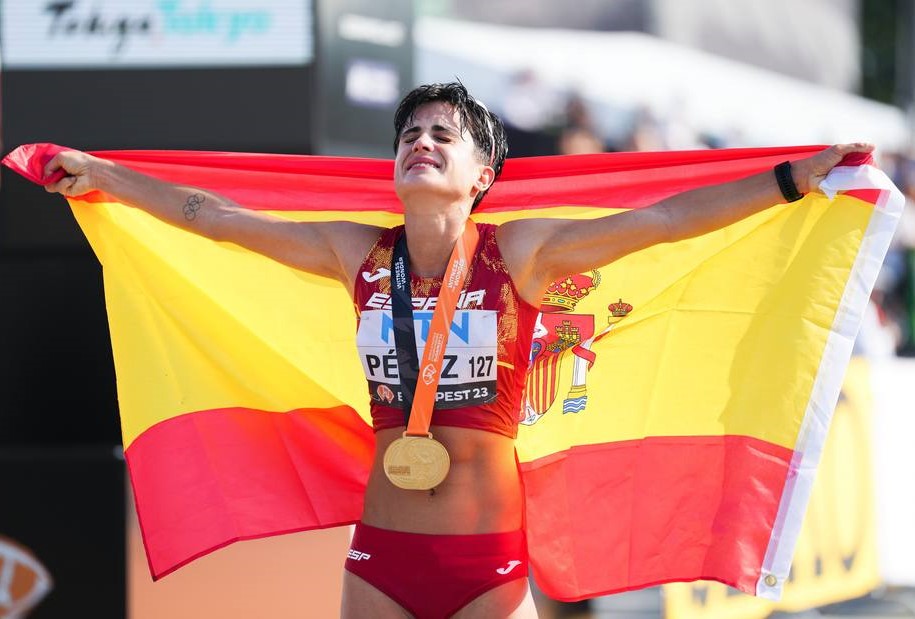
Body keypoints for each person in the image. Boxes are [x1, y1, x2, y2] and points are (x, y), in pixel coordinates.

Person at [42, 82, 872, 618]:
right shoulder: (354, 252)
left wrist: (788, 180)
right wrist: (106, 177)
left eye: (444, 133)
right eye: (409, 133)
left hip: (488, 564)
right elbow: (216, 218)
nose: (421, 141)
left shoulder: (521, 253)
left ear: (482, 173)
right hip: (380, 557)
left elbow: (661, 221)